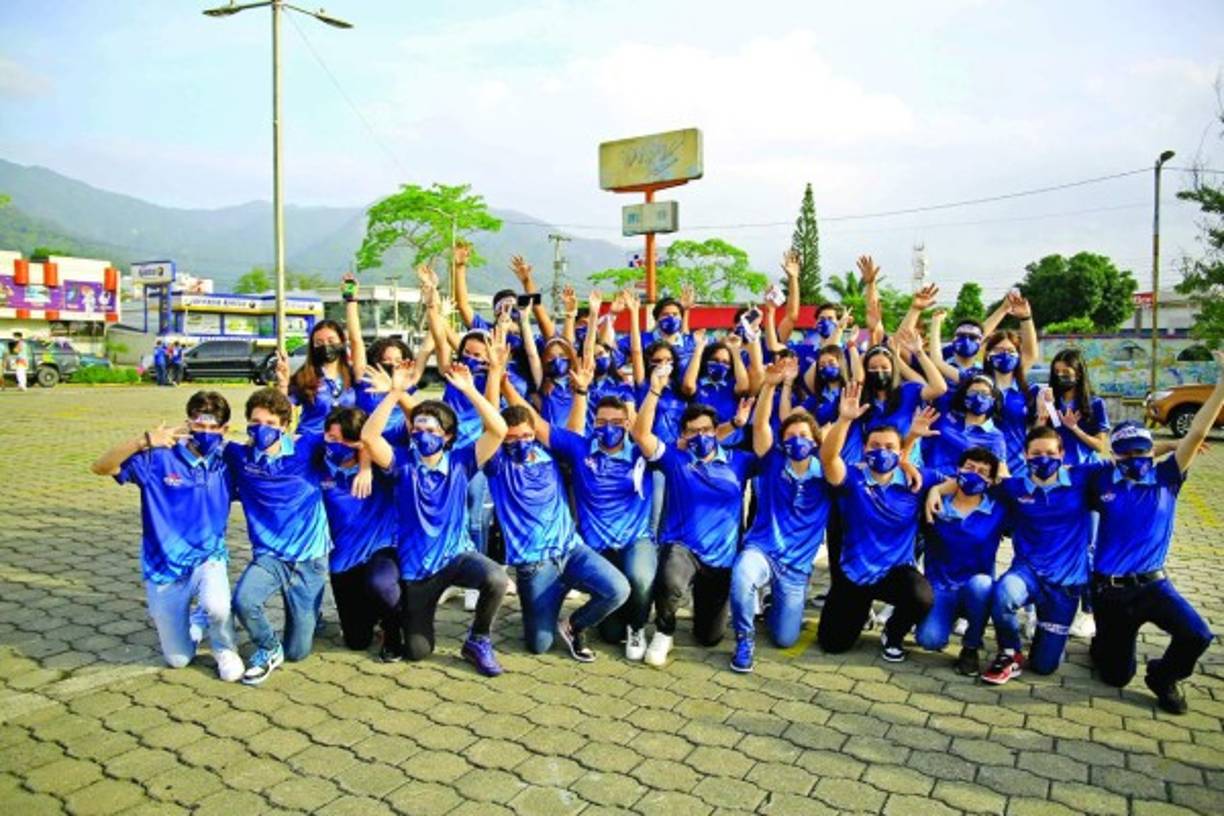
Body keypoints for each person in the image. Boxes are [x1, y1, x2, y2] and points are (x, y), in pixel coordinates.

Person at [1087, 358, 1223, 713]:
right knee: (1115, 676)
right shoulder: (1101, 479)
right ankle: (1104, 643)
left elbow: (1195, 433)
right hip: (1110, 590)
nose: (1135, 458)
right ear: (1114, 454)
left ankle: (1164, 676)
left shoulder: (1168, 477)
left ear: (1151, 450)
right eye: (1126, 452)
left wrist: (1222, 384)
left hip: (1153, 586)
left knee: (1198, 634)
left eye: (1141, 450)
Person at [362, 358, 511, 676]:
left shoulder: (462, 461)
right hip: (417, 569)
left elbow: (498, 429)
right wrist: (394, 393)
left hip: (455, 556)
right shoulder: (402, 462)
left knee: (497, 578)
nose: (422, 434)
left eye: (431, 430)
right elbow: (370, 438)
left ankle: (478, 639)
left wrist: (470, 389)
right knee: (417, 651)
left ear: (447, 436)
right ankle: (394, 624)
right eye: (417, 429)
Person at [90, 391, 244, 682]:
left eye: (214, 428)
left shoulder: (227, 462)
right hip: (163, 568)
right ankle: (197, 623)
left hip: (207, 558)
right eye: (200, 426)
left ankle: (225, 648)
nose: (207, 433)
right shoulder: (158, 458)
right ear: (187, 424)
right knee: (178, 659)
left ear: (224, 430)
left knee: (218, 607)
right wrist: (143, 441)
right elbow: (101, 467)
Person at [511, 358, 656, 661]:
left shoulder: (643, 452)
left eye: (617, 423)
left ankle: (637, 626)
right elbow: (533, 423)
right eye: (601, 422)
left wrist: (653, 391)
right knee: (552, 640)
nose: (608, 428)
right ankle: (572, 614)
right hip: (591, 543)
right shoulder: (580, 447)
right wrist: (501, 379)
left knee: (638, 580)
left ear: (628, 424)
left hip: (634, 539)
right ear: (593, 423)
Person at [485, 391, 630, 661]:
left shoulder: (548, 455)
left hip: (571, 550)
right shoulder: (498, 464)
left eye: (526, 435)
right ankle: (549, 600)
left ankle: (574, 626)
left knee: (618, 589)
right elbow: (490, 423)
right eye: (512, 438)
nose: (520, 442)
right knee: (539, 644)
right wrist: (495, 376)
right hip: (535, 565)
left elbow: (573, 433)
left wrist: (581, 394)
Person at [631, 363, 755, 667]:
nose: (701, 436)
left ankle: (704, 612)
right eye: (693, 431)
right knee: (670, 579)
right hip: (682, 547)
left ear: (717, 432)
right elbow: (641, 435)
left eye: (706, 430)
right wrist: (655, 389)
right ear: (683, 435)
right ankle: (664, 631)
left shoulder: (739, 461)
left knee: (709, 637)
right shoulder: (675, 459)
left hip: (721, 558)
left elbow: (771, 454)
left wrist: (740, 423)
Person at [817, 382, 934, 661]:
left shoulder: (916, 479)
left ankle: (892, 634)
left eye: (889, 447)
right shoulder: (852, 478)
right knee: (833, 644)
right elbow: (828, 457)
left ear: (900, 452)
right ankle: (859, 611)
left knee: (922, 597)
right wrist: (845, 419)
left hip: (895, 571)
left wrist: (938, 491)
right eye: (875, 446)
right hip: (854, 574)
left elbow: (957, 481)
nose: (882, 452)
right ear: (865, 449)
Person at [728, 363, 834, 673]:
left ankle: (776, 605)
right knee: (742, 577)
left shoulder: (828, 473)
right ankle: (744, 638)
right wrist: (769, 386)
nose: (797, 440)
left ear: (815, 441)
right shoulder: (773, 460)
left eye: (804, 435)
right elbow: (761, 427)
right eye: (790, 435)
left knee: (785, 638)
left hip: (796, 567)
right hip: (762, 549)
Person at [975, 425, 1098, 684]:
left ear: (1062, 454)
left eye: (1050, 453)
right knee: (1003, 594)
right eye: (1036, 453)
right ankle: (1010, 652)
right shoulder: (1014, 488)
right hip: (1027, 571)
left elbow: (1127, 459)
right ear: (1025, 455)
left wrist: (1173, 446)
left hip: (1066, 583)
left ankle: (1051, 640)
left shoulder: (1082, 477)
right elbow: (972, 484)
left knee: (1044, 666)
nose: (1043, 458)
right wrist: (936, 492)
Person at [226, 387, 331, 684]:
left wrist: (363, 468)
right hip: (270, 556)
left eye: (272, 423)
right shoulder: (238, 456)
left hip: (310, 558)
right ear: (247, 423)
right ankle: (268, 647)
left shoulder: (307, 448)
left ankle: (309, 611)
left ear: (285, 426)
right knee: (244, 601)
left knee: (298, 651)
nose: (263, 429)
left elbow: (352, 440)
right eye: (256, 422)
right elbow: (202, 446)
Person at [317, 406, 402, 661]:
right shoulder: (317, 464)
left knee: (381, 584)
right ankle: (370, 617)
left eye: (346, 440)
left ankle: (394, 629)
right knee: (356, 641)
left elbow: (382, 437)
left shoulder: (380, 468)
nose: (338, 445)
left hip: (380, 550)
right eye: (332, 438)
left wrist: (365, 465)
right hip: (343, 560)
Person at [916, 447, 1008, 676]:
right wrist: (935, 489)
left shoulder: (998, 509)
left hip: (975, 590)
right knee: (929, 640)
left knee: (982, 585)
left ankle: (971, 646)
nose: (974, 474)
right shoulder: (935, 503)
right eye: (969, 468)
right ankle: (946, 619)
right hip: (941, 588)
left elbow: (1019, 487)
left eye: (983, 472)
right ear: (957, 470)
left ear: (991, 480)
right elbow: (911, 470)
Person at [285, 274, 367, 435]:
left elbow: (356, 341)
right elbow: (281, 409)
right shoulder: (304, 376)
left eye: (331, 341)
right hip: (310, 441)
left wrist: (351, 300)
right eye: (319, 343)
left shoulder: (352, 374)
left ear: (341, 342)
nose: (326, 346)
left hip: (343, 443)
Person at [922, 374, 1009, 477]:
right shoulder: (946, 414)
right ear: (964, 396)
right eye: (973, 392)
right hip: (926, 475)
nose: (978, 397)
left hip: (956, 486)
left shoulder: (995, 437)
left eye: (984, 393)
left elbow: (1002, 473)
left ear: (993, 400)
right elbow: (925, 385)